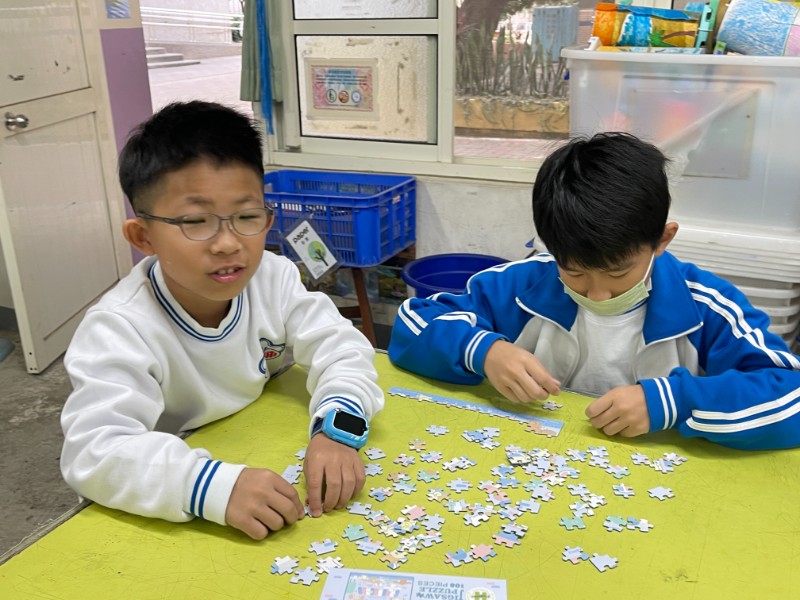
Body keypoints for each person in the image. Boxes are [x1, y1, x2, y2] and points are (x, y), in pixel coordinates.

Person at [60, 101, 384, 540]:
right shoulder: (117, 328)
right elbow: (94, 453)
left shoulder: (273, 277)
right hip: (166, 495)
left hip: (259, 439)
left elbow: (342, 347)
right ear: (143, 237)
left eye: (247, 217)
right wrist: (212, 487)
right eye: (196, 221)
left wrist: (338, 428)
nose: (228, 244)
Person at [389, 131, 800, 451]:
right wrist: (484, 352)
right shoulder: (522, 283)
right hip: (538, 462)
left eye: (618, 273)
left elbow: (788, 392)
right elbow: (413, 323)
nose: (598, 295)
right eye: (575, 272)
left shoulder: (706, 305)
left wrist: (673, 402)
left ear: (662, 240)